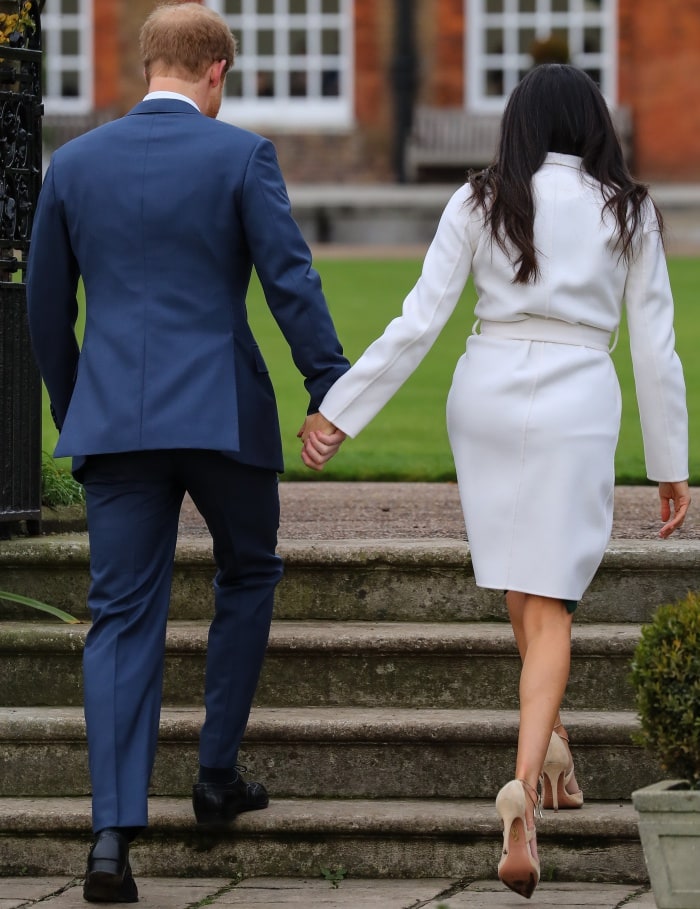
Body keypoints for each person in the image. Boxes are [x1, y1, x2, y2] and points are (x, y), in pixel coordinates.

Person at [300, 63, 690, 899]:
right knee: (549, 601)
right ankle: (522, 791)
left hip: (485, 391)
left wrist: (340, 411)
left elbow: (418, 320)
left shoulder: (480, 199)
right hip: (578, 395)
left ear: (516, 123)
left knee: (524, 579)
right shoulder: (629, 207)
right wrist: (670, 464)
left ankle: (550, 750)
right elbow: (655, 345)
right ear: (594, 126)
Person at [26, 2, 348, 903]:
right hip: (223, 416)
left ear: (147, 66)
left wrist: (75, 402)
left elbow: (46, 310)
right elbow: (292, 283)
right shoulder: (240, 154)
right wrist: (332, 386)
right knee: (248, 571)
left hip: (115, 425)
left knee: (122, 614)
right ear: (215, 73)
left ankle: (109, 841)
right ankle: (214, 776)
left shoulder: (74, 163)